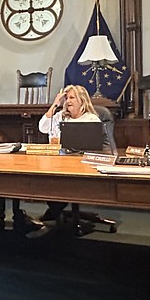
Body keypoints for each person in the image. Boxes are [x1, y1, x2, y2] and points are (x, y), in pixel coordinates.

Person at [35, 85, 103, 227]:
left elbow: (95, 147)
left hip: (81, 166)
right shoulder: (59, 116)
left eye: (72, 97)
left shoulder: (92, 120)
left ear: (82, 101)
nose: (68, 101)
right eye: (66, 98)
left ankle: (56, 211)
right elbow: (42, 127)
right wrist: (55, 104)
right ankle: (56, 210)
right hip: (57, 163)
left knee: (61, 185)